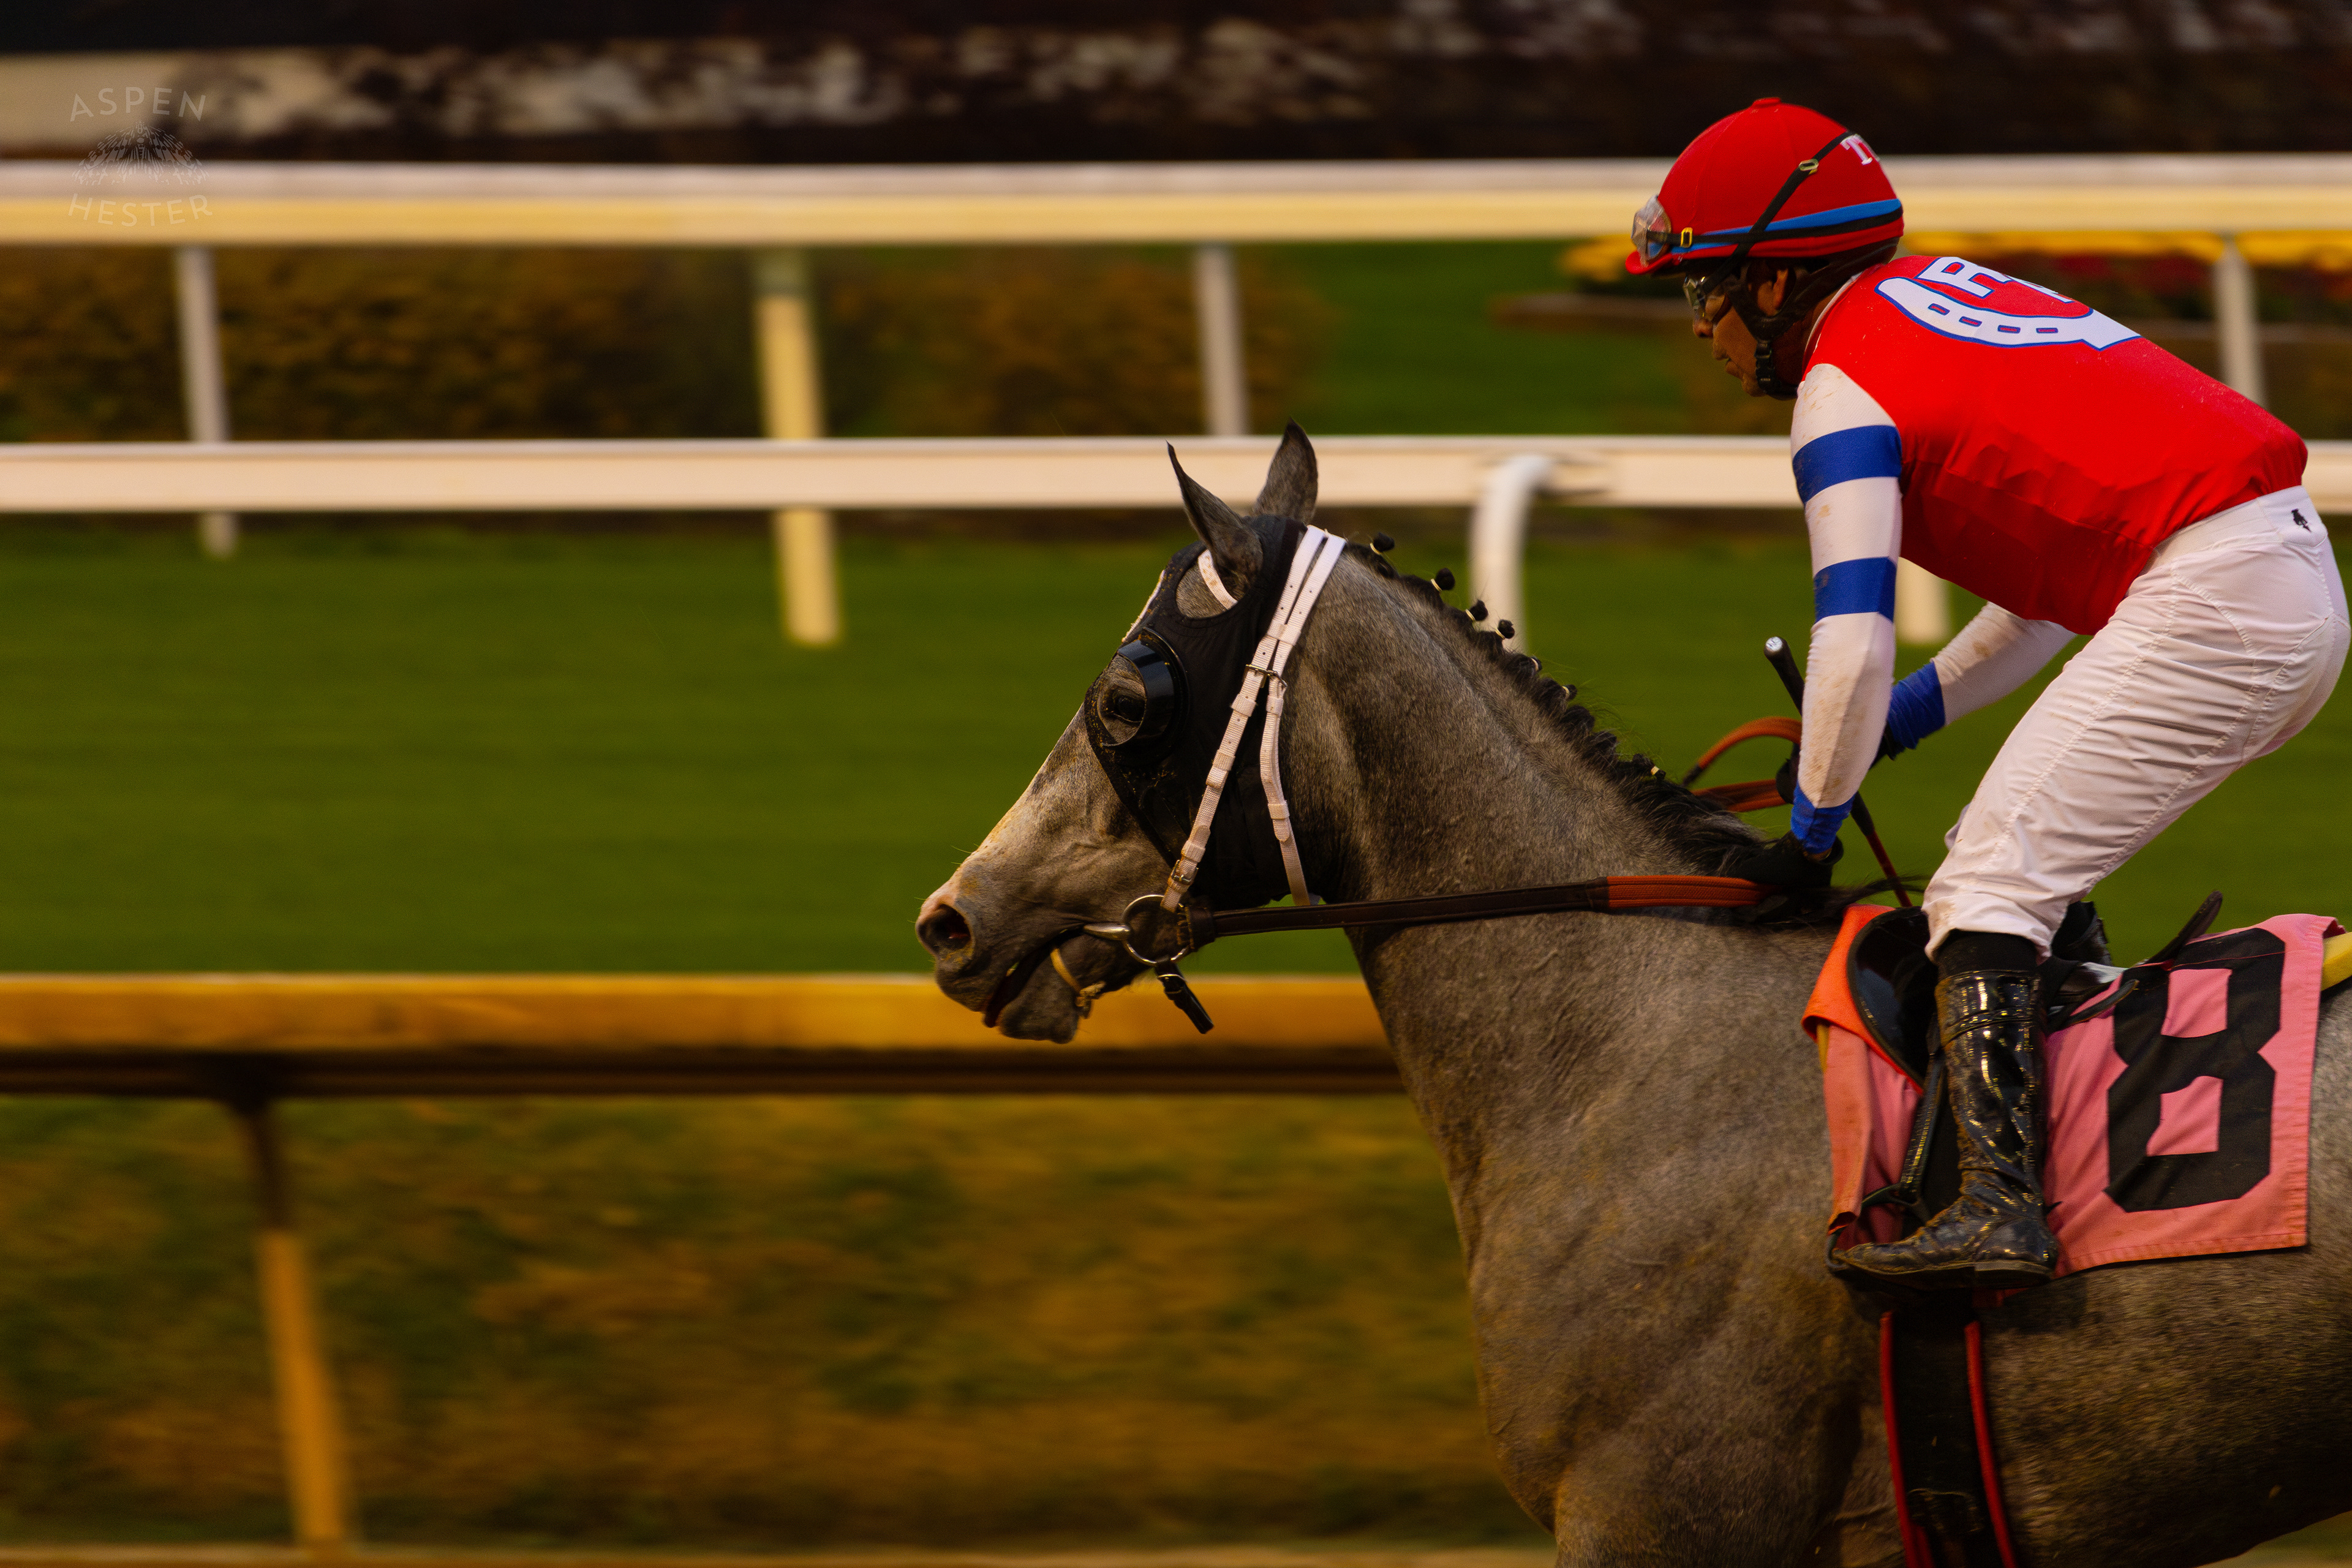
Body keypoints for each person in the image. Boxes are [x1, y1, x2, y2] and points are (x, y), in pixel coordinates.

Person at [1627, 99, 2348, 1291]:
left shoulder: (1842, 385)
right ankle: (2074, 1115)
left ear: (1773, 278)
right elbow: (2048, 595)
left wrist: (1810, 832)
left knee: (1986, 879)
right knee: (2012, 863)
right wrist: (1914, 713)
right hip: (2269, 577)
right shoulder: (1941, 298)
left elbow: (1846, 643)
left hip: (2222, 592)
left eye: (1707, 286)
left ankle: (2003, 1208)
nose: (1702, 322)